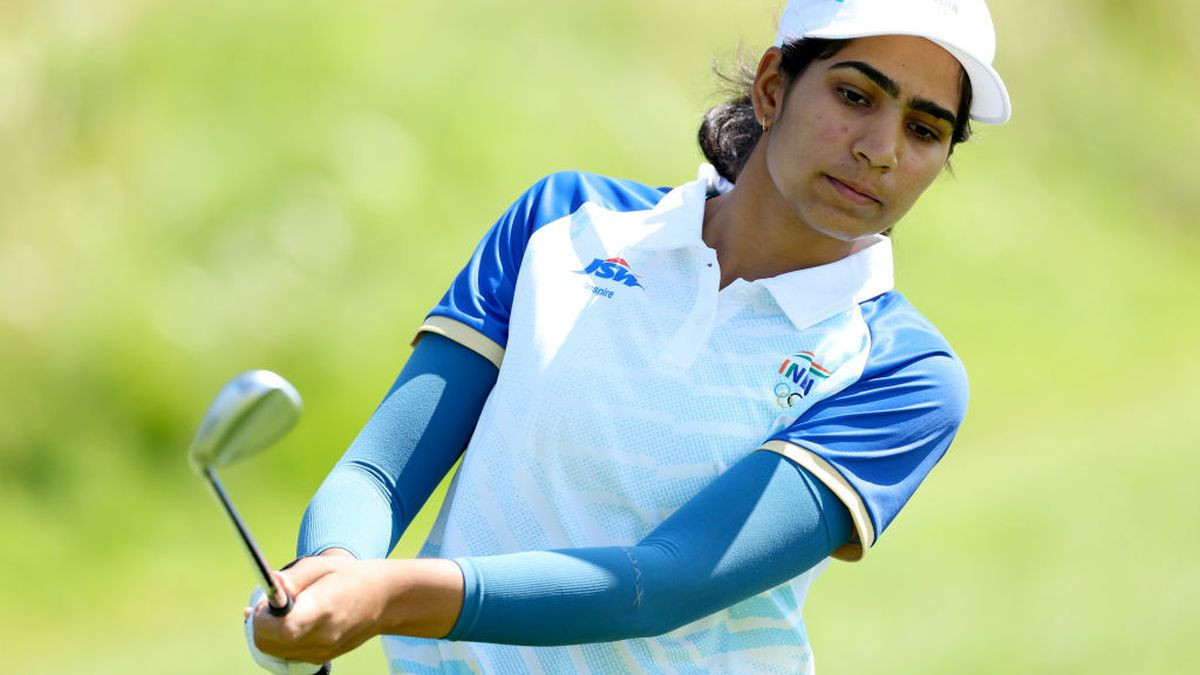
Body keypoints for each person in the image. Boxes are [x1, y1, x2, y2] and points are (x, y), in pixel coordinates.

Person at [245, 0, 1012, 672]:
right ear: (774, 85)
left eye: (922, 129)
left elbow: (661, 582)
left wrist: (387, 596)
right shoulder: (563, 221)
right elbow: (378, 474)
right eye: (854, 95)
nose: (881, 148)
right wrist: (331, 569)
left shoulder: (903, 371)